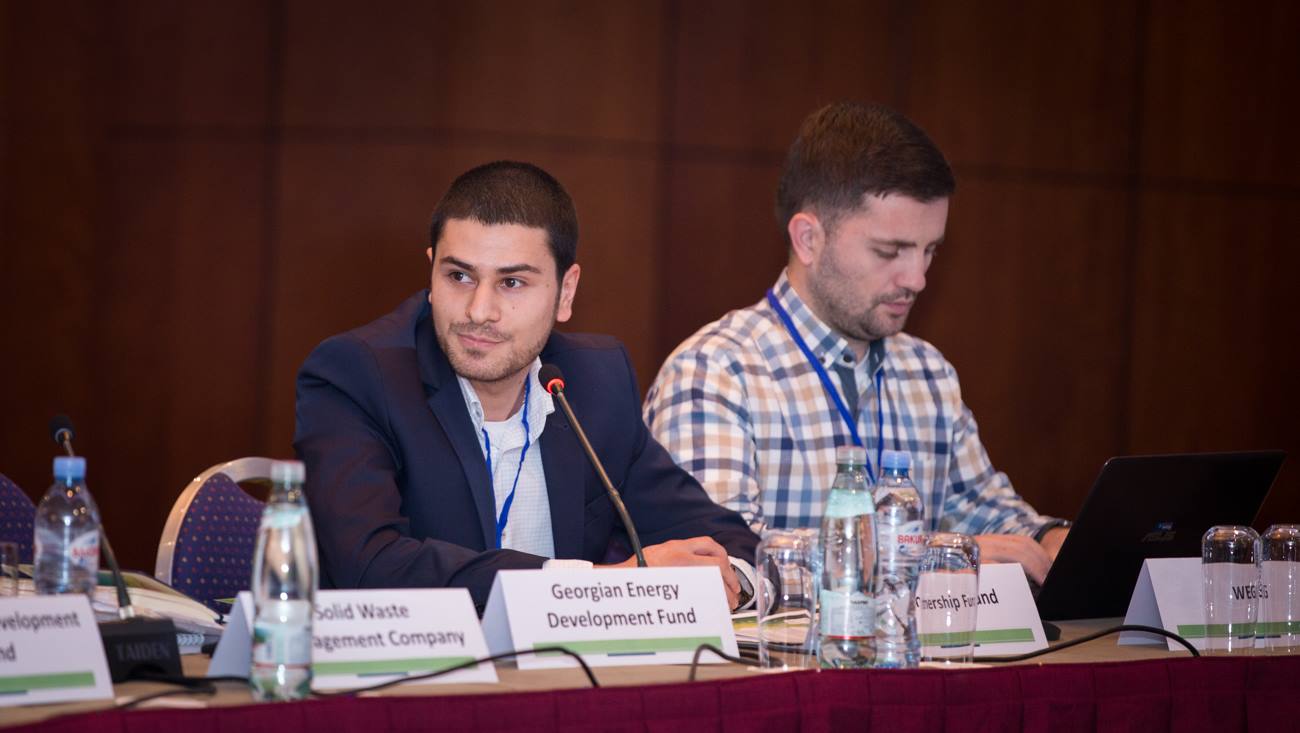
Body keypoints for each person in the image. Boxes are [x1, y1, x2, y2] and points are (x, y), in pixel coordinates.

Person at [295, 161, 759, 610]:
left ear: (566, 292)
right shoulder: (357, 377)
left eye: (512, 282)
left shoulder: (593, 383)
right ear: (431, 273)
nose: (479, 311)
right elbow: (370, 566)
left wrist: (729, 581)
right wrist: (603, 584)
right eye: (459, 276)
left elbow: (722, 539)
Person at [643, 102, 1069, 583]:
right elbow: (729, 567)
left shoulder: (927, 372)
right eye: (890, 251)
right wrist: (934, 556)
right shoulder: (715, 371)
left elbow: (984, 510)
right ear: (808, 239)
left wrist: (1051, 538)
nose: (917, 279)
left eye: (930, 251)